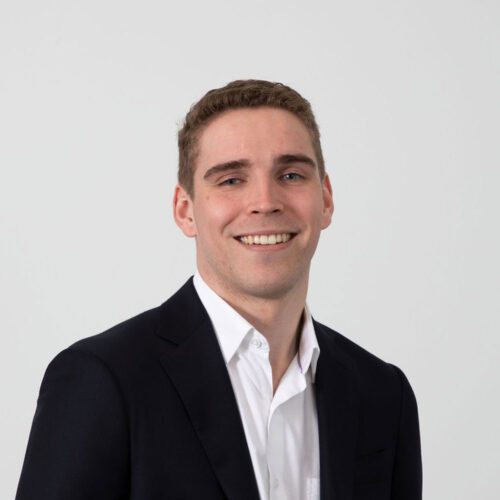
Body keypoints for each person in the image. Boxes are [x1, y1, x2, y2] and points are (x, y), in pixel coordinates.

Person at [16, 80, 422, 500]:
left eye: (290, 175)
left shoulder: (383, 395)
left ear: (326, 200)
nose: (265, 201)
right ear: (185, 211)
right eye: (231, 180)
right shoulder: (102, 380)